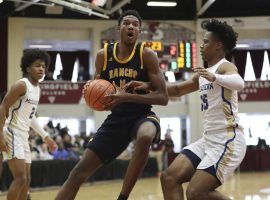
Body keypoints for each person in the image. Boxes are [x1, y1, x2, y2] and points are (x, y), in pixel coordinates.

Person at [126, 19, 246, 200]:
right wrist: (148, 85)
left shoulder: (224, 66)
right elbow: (177, 89)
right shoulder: (204, 73)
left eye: (206, 41)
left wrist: (214, 77)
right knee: (169, 177)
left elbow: (239, 83)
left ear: (218, 46)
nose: (201, 45)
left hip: (228, 139)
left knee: (195, 193)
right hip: (209, 139)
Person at [55, 9, 168, 200]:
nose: (131, 27)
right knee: (77, 173)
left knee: (146, 136)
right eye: (127, 23)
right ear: (119, 29)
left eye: (135, 25)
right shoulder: (103, 55)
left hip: (142, 115)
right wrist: (97, 98)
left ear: (139, 31)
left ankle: (122, 197)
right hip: (116, 119)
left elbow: (162, 97)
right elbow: (100, 93)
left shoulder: (146, 54)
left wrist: (128, 97)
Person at [0, 49, 57, 200]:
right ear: (27, 68)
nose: (41, 69)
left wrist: (46, 137)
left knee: (27, 181)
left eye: (44, 66)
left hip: (23, 136)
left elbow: (30, 117)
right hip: (12, 132)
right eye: (37, 65)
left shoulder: (37, 89)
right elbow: (2, 107)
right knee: (20, 178)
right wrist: (0, 136)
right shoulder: (21, 85)